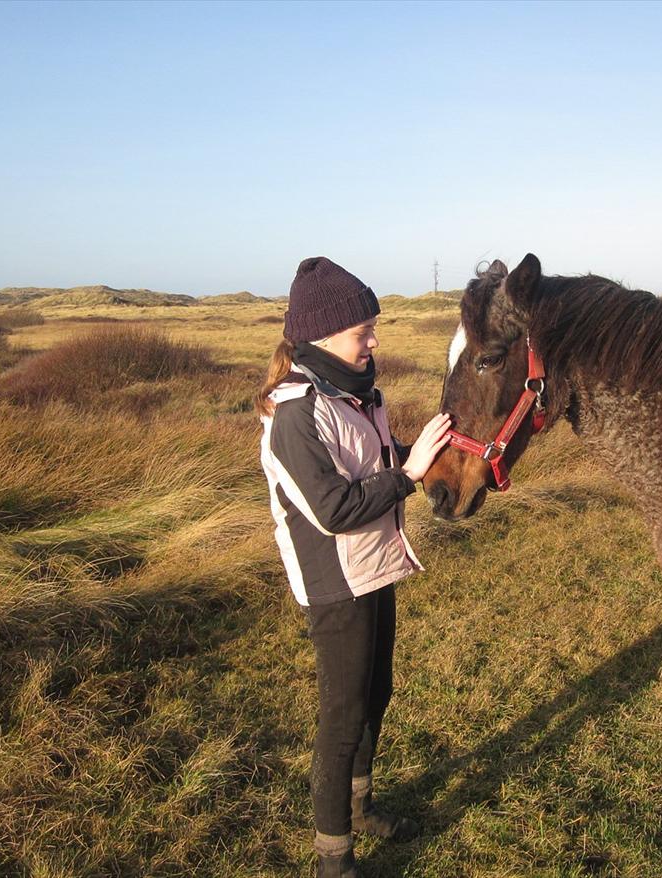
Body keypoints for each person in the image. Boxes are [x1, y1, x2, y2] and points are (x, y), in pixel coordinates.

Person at [258, 257, 451, 878]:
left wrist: (426, 456)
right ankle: (332, 861)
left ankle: (361, 808)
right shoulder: (295, 415)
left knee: (377, 693)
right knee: (341, 718)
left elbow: (373, 462)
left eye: (373, 327)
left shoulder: (361, 392)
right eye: (362, 330)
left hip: (375, 564)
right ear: (319, 336)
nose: (373, 341)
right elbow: (336, 508)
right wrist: (408, 474)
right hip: (334, 583)